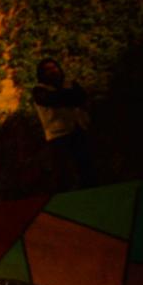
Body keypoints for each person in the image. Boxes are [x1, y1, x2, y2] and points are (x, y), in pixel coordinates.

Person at [32, 58, 96, 190]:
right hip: (58, 136)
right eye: (48, 70)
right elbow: (55, 100)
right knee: (64, 173)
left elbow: (80, 97)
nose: (52, 72)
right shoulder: (39, 90)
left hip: (78, 129)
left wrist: (68, 96)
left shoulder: (69, 84)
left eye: (54, 67)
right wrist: (68, 96)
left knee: (86, 168)